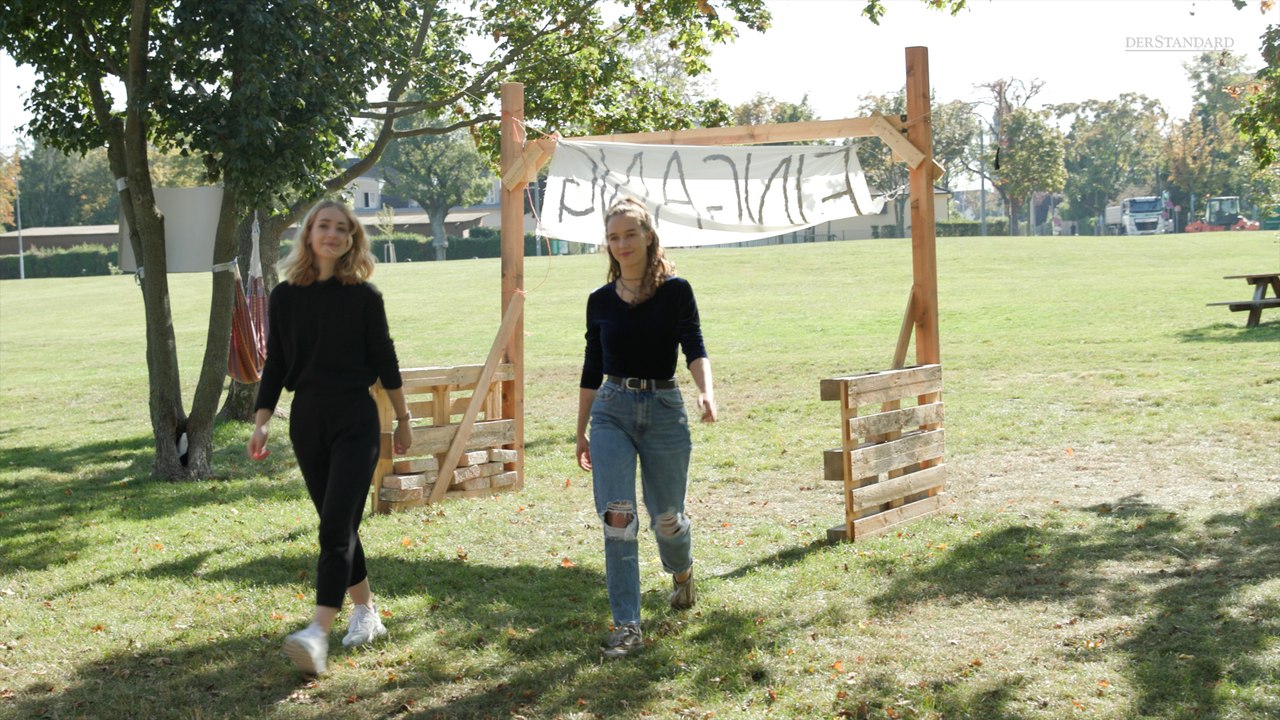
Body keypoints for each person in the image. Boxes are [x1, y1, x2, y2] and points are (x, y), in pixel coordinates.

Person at [247, 198, 413, 676]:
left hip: (356, 419)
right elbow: (275, 362)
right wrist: (261, 421)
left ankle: (317, 632)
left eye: (343, 229)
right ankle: (365, 612)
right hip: (307, 420)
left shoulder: (365, 297)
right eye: (325, 226)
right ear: (309, 234)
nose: (333, 235)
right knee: (338, 523)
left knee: (335, 526)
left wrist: (402, 419)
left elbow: (385, 360)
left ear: (352, 239)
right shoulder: (285, 297)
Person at [575, 198, 717, 659]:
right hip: (612, 409)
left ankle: (682, 572)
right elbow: (592, 367)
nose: (621, 245)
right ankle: (627, 627)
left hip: (663, 407)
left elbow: (694, 344)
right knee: (619, 518)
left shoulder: (676, 291)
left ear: (649, 236)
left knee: (667, 519)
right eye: (613, 237)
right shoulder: (599, 301)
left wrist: (705, 390)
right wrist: (581, 430)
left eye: (629, 235)